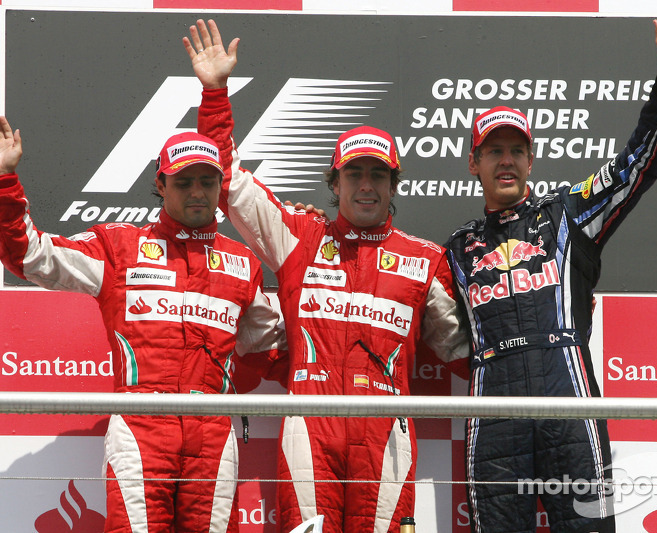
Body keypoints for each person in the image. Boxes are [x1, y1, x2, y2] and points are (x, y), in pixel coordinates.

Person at [182, 19, 470, 533]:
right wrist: (214, 94)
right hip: (308, 429)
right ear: (333, 182)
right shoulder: (299, 237)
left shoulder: (426, 259)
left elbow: (465, 352)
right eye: (354, 173)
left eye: (377, 174)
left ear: (393, 183)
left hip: (386, 435)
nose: (366, 185)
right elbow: (229, 182)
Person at [445, 2, 657, 532]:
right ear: (475, 163)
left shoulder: (568, 213)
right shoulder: (455, 247)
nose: (506, 160)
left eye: (517, 150)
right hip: (493, 411)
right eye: (494, 152)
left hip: (568, 398)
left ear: (532, 160)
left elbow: (637, 167)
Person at [0, 116, 286, 533]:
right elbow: (31, 258)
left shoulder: (244, 264)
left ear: (220, 187)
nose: (197, 192)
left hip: (213, 429)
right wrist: (3, 181)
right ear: (160, 185)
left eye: (207, 181)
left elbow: (273, 344)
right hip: (141, 423)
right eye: (183, 182)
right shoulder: (119, 248)